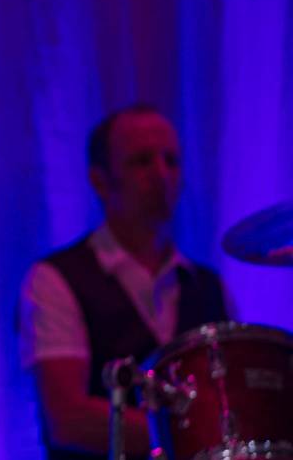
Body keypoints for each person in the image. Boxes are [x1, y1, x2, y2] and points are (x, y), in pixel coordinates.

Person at [18, 105, 231, 459]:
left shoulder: (208, 286)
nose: (162, 174)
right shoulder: (56, 279)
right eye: (142, 161)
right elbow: (67, 419)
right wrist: (196, 432)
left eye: (171, 161)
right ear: (100, 181)